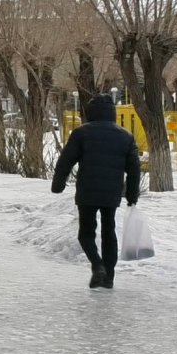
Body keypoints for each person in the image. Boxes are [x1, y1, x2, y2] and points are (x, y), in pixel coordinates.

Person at [51, 94, 141, 289]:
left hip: (87, 191)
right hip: (112, 193)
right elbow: (134, 169)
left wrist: (57, 185)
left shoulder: (81, 133)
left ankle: (97, 265)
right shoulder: (125, 136)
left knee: (86, 233)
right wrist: (133, 195)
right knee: (109, 231)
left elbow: (65, 161)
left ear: (90, 113)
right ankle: (108, 277)